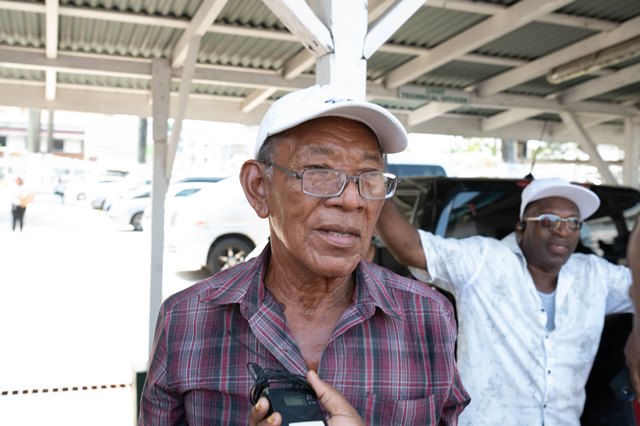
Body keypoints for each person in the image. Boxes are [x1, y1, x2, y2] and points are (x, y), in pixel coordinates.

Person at [138, 84, 470, 425]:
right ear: (259, 187)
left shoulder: (428, 317)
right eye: (320, 172)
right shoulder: (187, 319)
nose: (351, 200)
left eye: (368, 177)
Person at [376, 176, 636, 425]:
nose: (562, 230)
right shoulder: (485, 261)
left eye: (573, 223)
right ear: (521, 227)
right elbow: (410, 247)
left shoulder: (595, 275)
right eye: (549, 220)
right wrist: (374, 183)